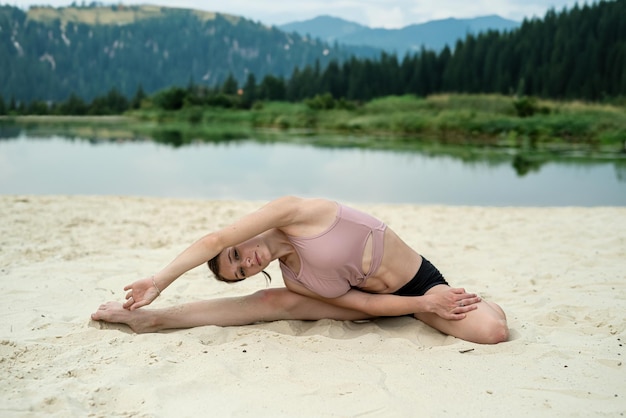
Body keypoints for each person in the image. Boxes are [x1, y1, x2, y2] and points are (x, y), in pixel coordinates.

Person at [91, 196, 508, 344]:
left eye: (237, 256)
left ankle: (469, 303)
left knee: (493, 330)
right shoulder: (296, 279)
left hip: (420, 282)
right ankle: (153, 321)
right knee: (271, 301)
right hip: (398, 302)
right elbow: (362, 302)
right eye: (240, 272)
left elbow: (213, 241)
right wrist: (418, 306)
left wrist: (159, 281)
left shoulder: (295, 212)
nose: (247, 264)